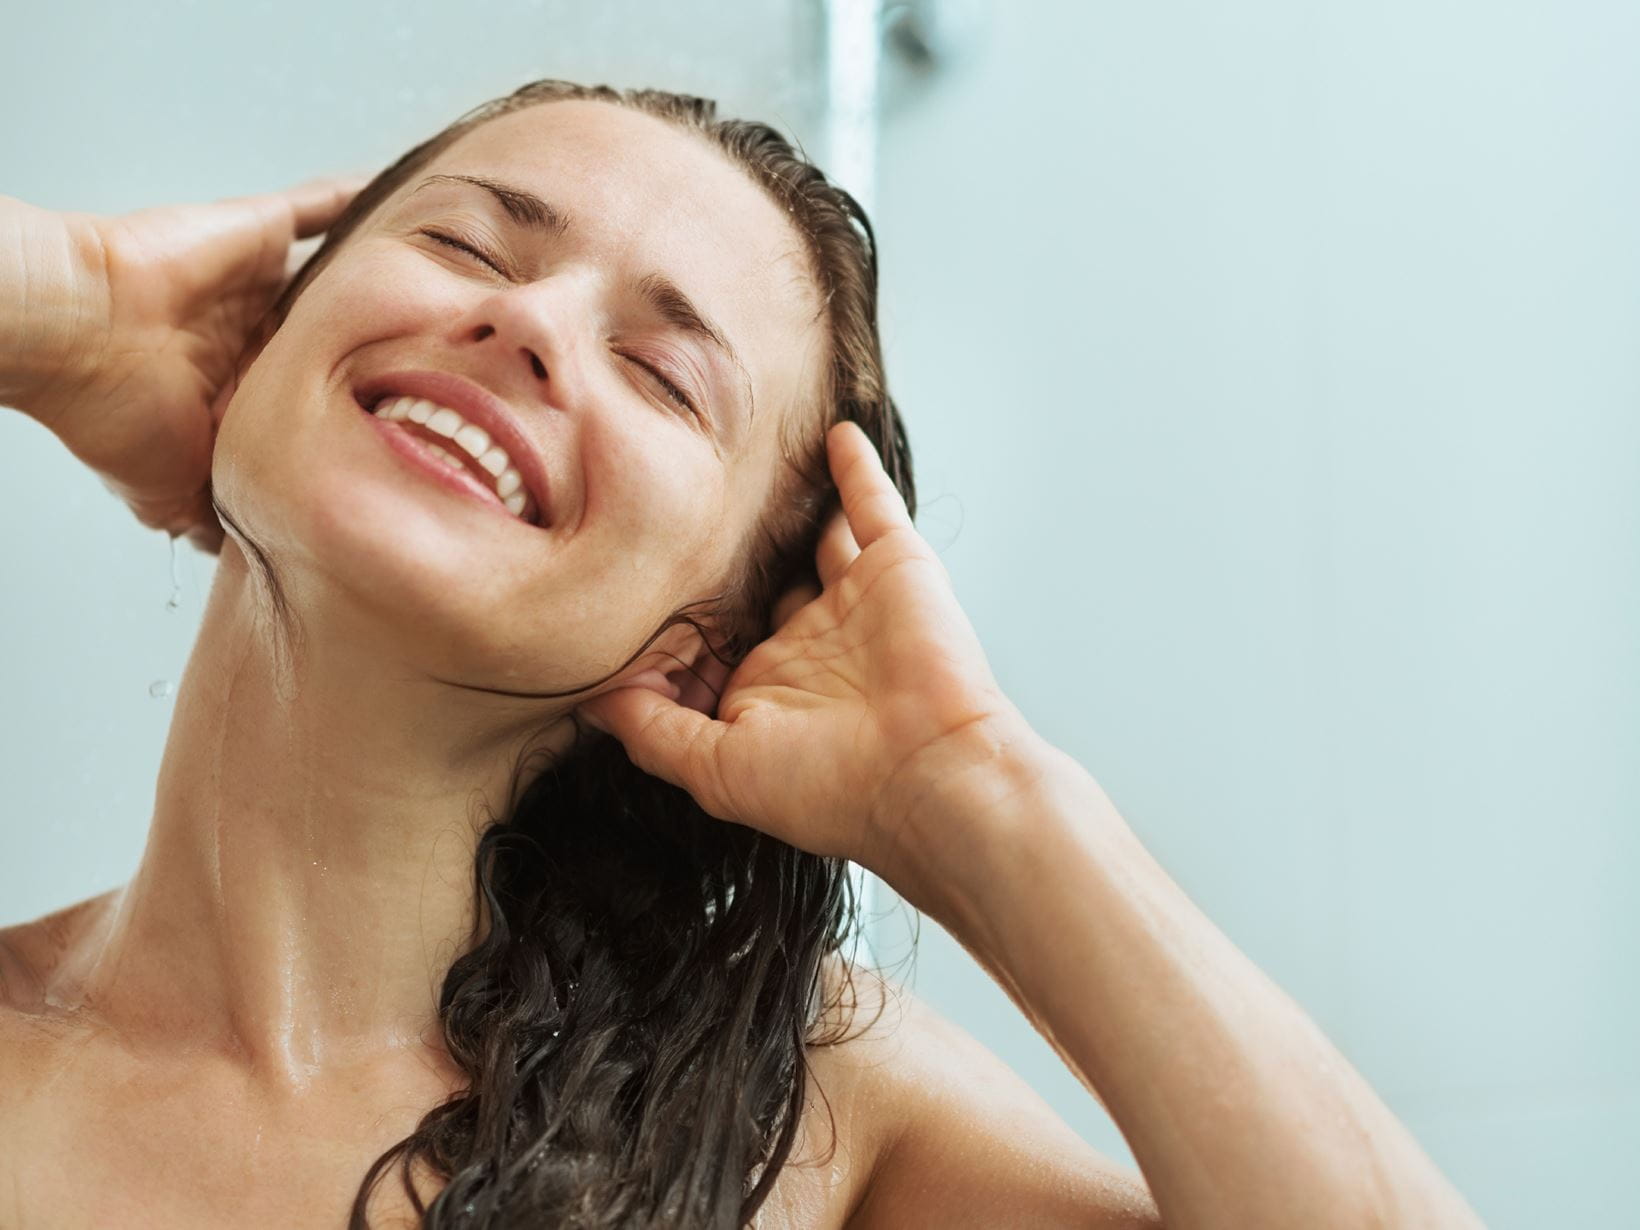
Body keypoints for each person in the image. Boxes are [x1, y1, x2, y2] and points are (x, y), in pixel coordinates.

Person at [0, 79, 1482, 1229]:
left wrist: (982, 798)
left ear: (706, 646)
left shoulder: (798, 1125)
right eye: (463, 242)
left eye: (661, 373)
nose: (524, 320)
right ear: (258, 346)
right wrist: (55, 306)